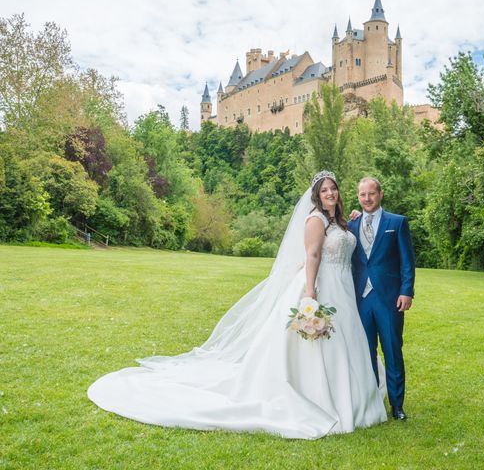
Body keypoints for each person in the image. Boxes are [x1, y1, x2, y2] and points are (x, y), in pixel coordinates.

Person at [88, 170, 386, 439]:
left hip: (344, 290)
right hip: (321, 286)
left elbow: (346, 244)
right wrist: (310, 293)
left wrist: (354, 221)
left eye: (333, 189)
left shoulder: (341, 222)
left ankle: (353, 397)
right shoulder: (315, 220)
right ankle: (322, 397)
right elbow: (312, 257)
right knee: (316, 347)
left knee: (347, 343)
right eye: (324, 191)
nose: (330, 194)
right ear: (316, 197)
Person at [347, 177, 415, 421]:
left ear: (380, 194)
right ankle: (373, 402)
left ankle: (397, 406)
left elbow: (407, 261)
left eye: (371, 194)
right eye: (362, 195)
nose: (367, 199)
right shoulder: (351, 225)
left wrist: (407, 290)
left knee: (392, 350)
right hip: (360, 299)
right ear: (358, 197)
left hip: (389, 299)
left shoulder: (396, 223)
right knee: (365, 353)